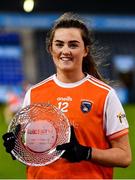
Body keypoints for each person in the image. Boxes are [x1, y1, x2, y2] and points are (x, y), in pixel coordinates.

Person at [2, 12, 132, 179]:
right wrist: (18, 148)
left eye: (73, 45)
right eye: (59, 44)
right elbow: (36, 154)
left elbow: (124, 156)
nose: (65, 50)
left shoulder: (105, 94)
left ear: (85, 50)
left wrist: (86, 153)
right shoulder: (34, 94)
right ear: (51, 49)